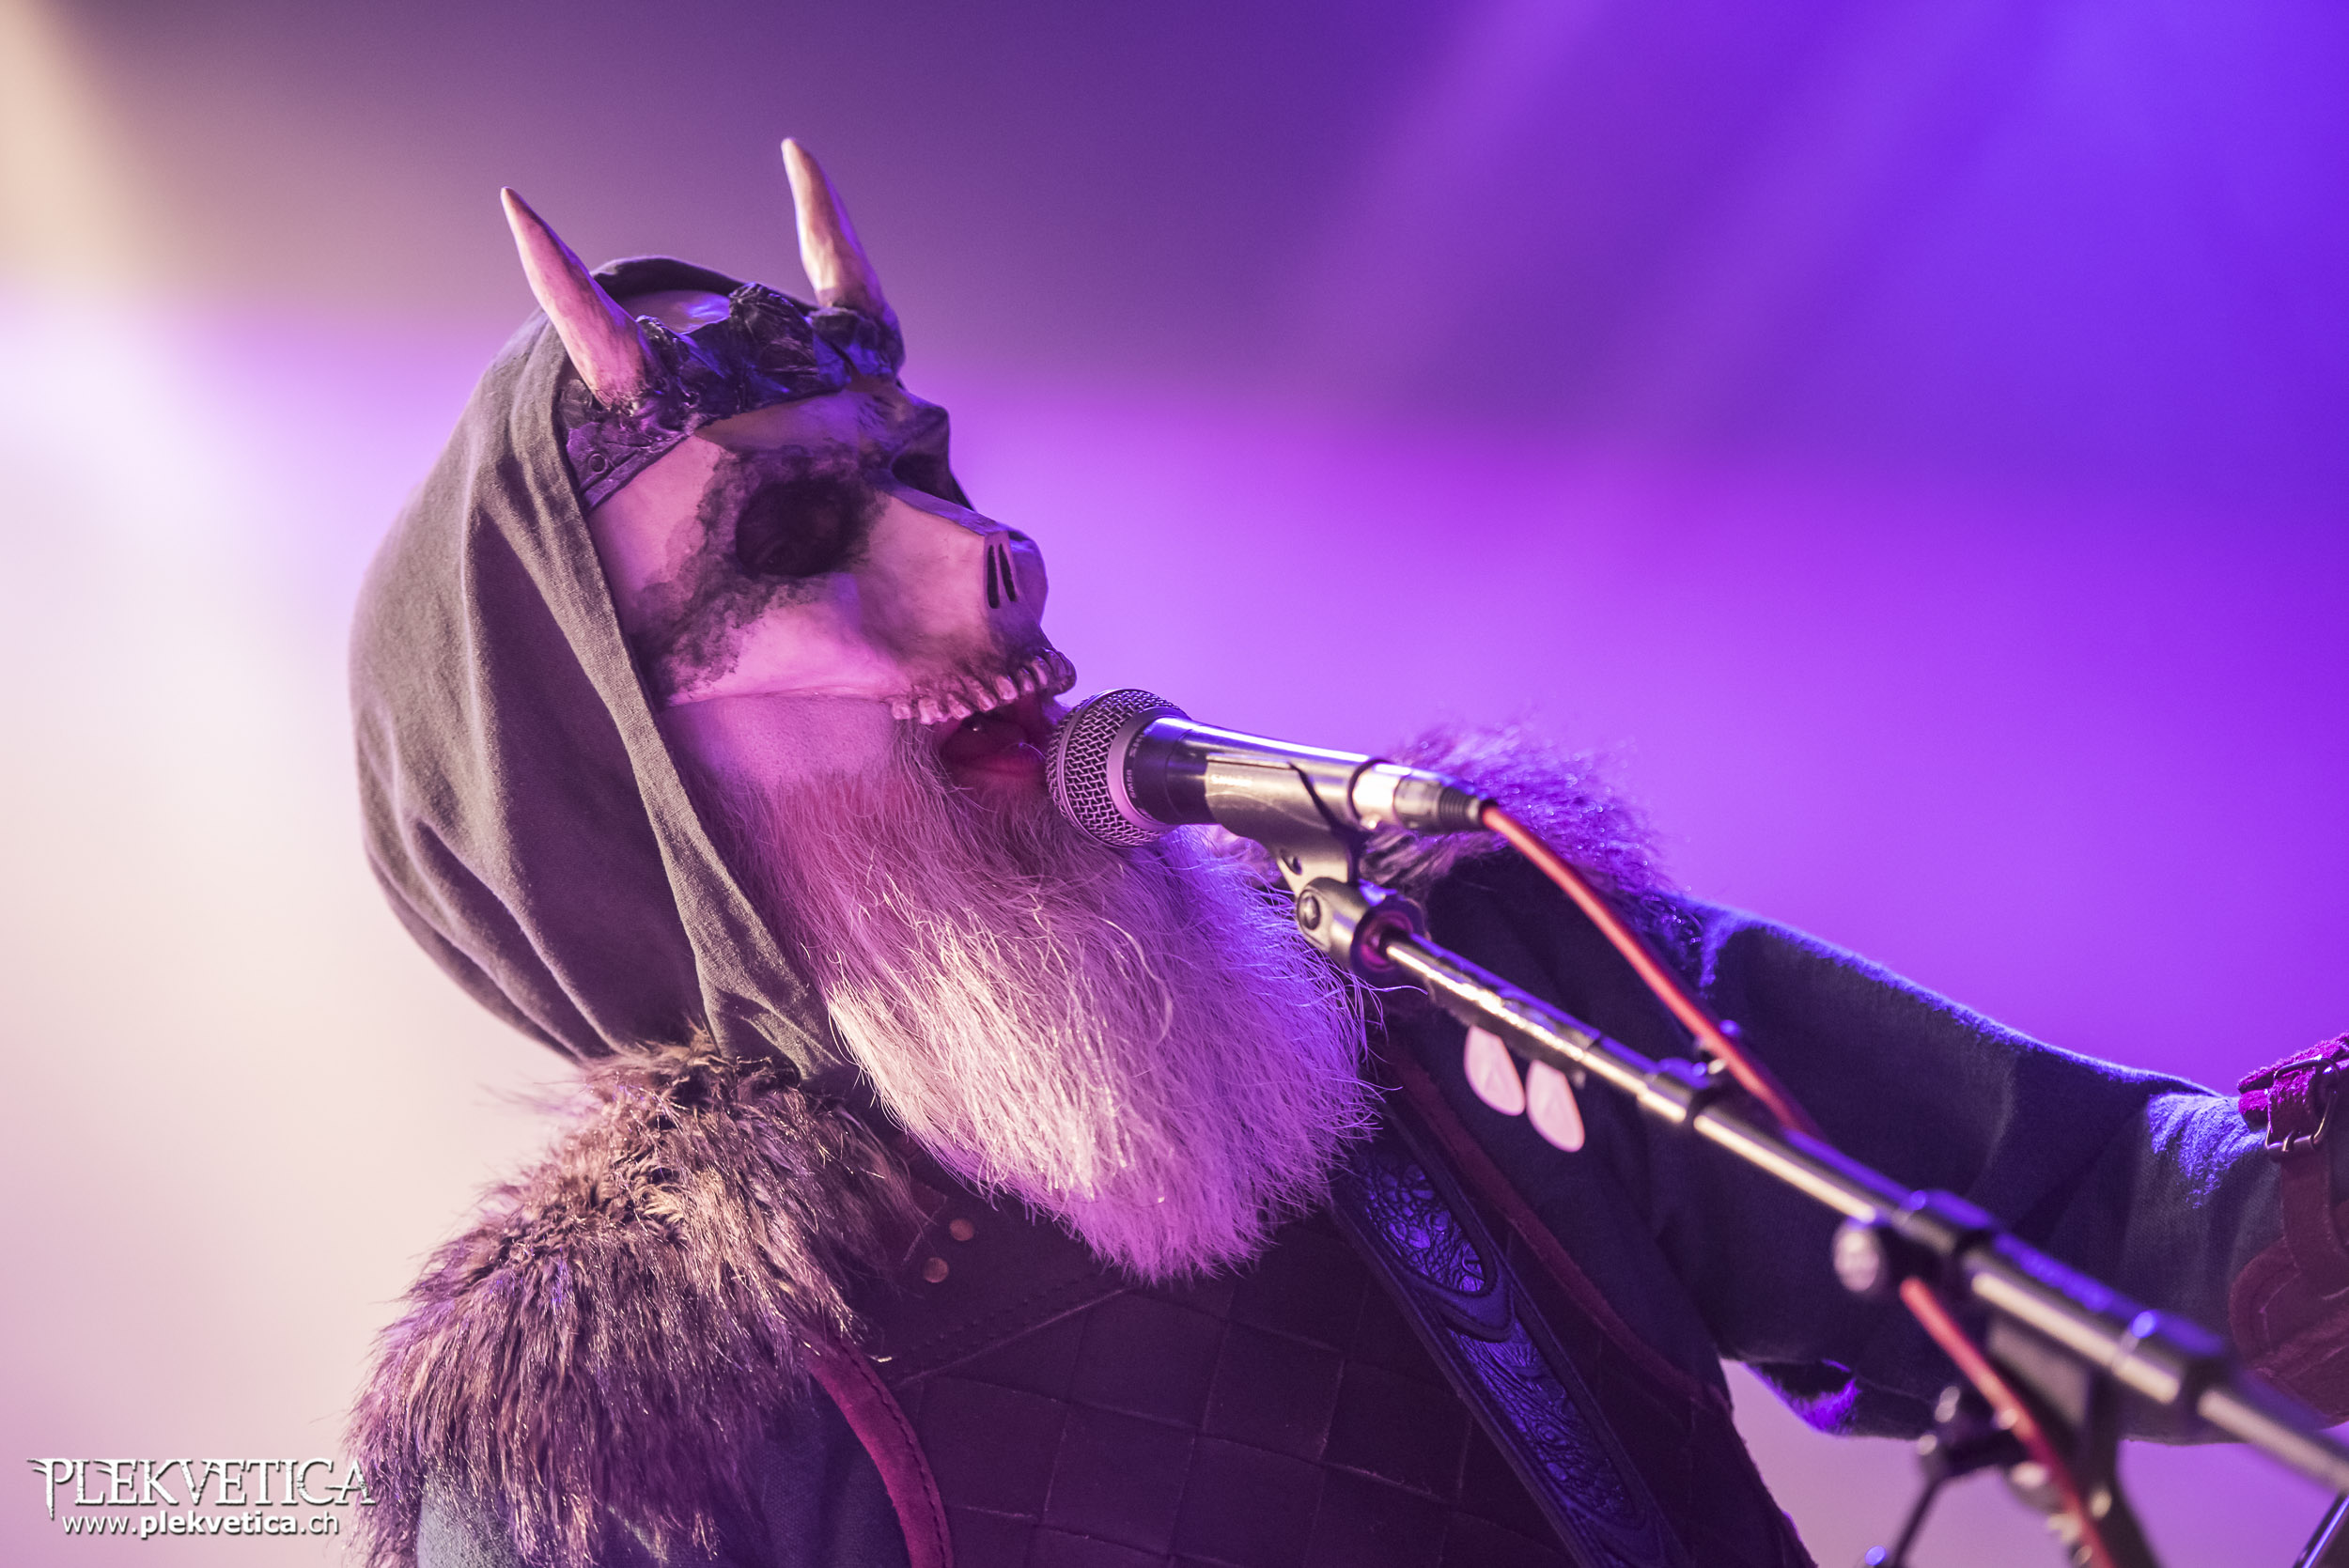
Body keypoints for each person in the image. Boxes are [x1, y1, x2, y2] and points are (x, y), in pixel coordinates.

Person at [345, 142, 2343, 1568]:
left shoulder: (1447, 972)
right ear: (608, 776)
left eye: (923, 475)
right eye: (798, 538)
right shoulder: (608, 1449)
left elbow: (2100, 1203)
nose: (987, 559)